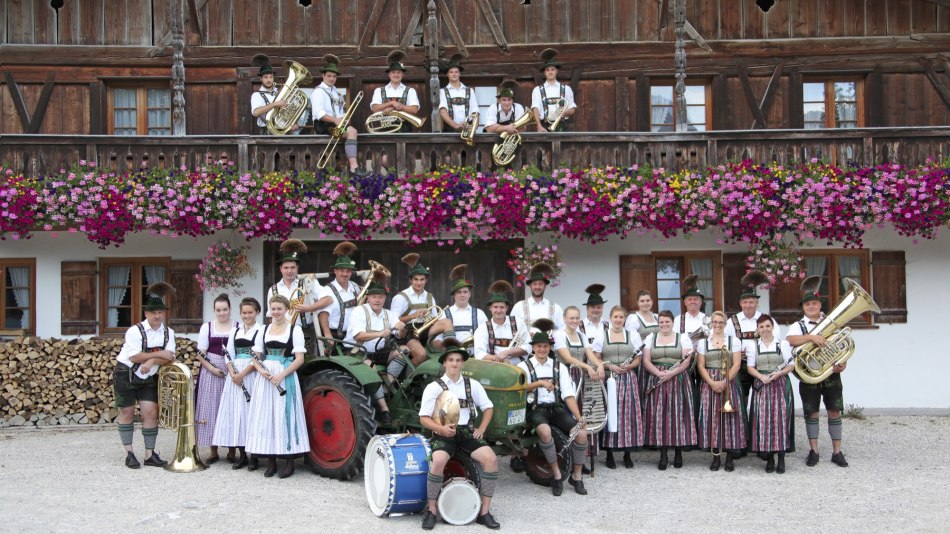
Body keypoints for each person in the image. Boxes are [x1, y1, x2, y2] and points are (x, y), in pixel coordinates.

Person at [418, 339, 500, 530]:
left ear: (462, 363)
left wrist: (481, 429)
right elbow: (423, 417)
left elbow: (488, 407)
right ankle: (431, 510)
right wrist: (440, 429)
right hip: (442, 433)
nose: (454, 364)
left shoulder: (472, 385)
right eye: (451, 360)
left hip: (466, 431)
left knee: (492, 460)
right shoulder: (434, 387)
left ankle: (484, 512)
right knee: (437, 462)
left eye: (458, 360)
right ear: (445, 363)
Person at [518, 324, 589, 496]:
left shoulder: (559, 366)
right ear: (533, 348)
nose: (542, 349)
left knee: (581, 433)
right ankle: (557, 475)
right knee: (544, 431)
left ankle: (577, 476)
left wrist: (579, 418)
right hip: (536, 409)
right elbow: (518, 388)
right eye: (538, 346)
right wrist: (539, 383)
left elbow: (568, 395)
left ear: (550, 347)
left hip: (556, 408)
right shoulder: (523, 366)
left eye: (545, 346)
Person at [785, 276, 849, 468]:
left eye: (814, 303)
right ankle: (814, 450)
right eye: (808, 304)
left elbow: (843, 346)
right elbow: (789, 340)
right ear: (803, 307)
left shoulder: (832, 323)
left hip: (831, 374)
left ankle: (837, 452)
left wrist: (842, 364)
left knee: (834, 412)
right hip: (809, 376)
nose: (812, 306)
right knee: (811, 413)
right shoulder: (798, 325)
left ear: (820, 305)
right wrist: (811, 338)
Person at [113, 282, 177, 468]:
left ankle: (150, 454)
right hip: (126, 373)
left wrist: (150, 361)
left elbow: (170, 356)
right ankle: (130, 453)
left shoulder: (168, 332)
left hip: (149, 376)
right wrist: (157, 356)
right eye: (153, 313)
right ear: (146, 314)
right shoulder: (134, 331)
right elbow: (134, 356)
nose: (157, 316)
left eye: (160, 312)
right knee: (126, 412)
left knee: (150, 412)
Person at [247, 295, 310, 478]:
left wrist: (282, 374)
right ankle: (271, 461)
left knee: (285, 415)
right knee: (267, 416)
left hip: (285, 375)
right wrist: (260, 370)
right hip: (266, 378)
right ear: (269, 310)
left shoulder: (294, 330)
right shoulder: (263, 329)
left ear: (286, 309)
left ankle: (289, 461)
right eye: (273, 309)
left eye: (279, 309)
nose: (276, 312)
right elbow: (256, 355)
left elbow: (300, 358)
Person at [344, 274, 407, 426]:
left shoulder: (389, 314)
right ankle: (385, 410)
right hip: (357, 351)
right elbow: (358, 335)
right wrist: (379, 333)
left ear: (385, 298)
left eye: (380, 297)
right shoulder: (359, 312)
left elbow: (400, 334)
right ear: (368, 298)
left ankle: (386, 386)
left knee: (404, 350)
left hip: (379, 352)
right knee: (371, 369)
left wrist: (402, 328)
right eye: (374, 297)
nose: (377, 300)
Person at [641, 310, 697, 470]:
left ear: (673, 323)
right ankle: (663, 454)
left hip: (677, 379)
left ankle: (678, 452)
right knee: (659, 416)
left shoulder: (683, 337)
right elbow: (646, 360)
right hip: (657, 378)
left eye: (667, 322)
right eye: (661, 322)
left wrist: (671, 373)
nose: (664, 325)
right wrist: (659, 373)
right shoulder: (651, 337)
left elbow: (686, 362)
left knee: (678, 415)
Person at [591, 305, 645, 469]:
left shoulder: (632, 335)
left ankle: (627, 453)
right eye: (615, 317)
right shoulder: (603, 335)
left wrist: (627, 367)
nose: (618, 320)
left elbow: (638, 359)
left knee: (627, 415)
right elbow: (596, 358)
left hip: (628, 378)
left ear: (624, 319)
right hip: (610, 379)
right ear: (611, 318)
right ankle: (609, 453)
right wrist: (610, 366)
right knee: (610, 413)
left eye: (621, 317)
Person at [213, 297, 262, 470]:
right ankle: (242, 455)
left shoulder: (261, 330)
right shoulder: (235, 330)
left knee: (250, 414)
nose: (247, 315)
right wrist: (232, 372)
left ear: (257, 312)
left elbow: (257, 356)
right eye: (244, 312)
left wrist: (242, 374)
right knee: (237, 414)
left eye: (250, 312)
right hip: (234, 377)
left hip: (251, 374)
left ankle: (254, 456)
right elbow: (229, 354)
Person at [696, 311, 746, 472]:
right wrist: (711, 382)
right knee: (713, 419)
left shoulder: (734, 341)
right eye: (715, 322)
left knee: (730, 420)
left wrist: (724, 382)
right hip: (710, 383)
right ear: (711, 323)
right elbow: (700, 366)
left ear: (725, 324)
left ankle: (730, 458)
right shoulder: (703, 343)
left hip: (729, 382)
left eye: (721, 322)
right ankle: (716, 456)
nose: (717, 325)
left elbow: (737, 364)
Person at [723, 270, 781, 411]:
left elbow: (777, 340)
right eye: (745, 302)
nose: (748, 305)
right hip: (740, 365)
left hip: (761, 365)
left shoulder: (766, 320)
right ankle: (743, 427)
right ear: (740, 303)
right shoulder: (732, 321)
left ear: (757, 303)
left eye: (751, 302)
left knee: (761, 397)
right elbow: (725, 343)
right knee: (741, 397)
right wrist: (734, 353)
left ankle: (759, 424)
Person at [747, 314, 796, 474]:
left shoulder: (783, 344)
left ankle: (781, 457)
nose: (765, 329)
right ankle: (769, 458)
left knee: (780, 420)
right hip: (762, 385)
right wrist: (761, 377)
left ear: (772, 327)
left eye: (767, 326)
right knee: (764, 421)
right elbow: (750, 367)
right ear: (758, 330)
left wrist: (778, 374)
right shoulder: (753, 346)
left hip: (780, 384)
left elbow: (791, 365)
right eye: (761, 327)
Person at [195, 293, 238, 463]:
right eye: (218, 310)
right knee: (211, 409)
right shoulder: (207, 327)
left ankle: (232, 450)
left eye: (225, 309)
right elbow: (200, 354)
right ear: (214, 310)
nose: (222, 313)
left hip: (231, 370)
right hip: (211, 371)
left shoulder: (237, 327)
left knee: (230, 409)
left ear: (230, 309)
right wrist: (212, 368)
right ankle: (213, 451)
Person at [267, 238, 329, 358]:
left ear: (297, 268)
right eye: (286, 268)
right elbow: (270, 316)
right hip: (281, 332)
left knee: (306, 365)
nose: (289, 271)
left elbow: (328, 299)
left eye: (292, 267)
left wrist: (309, 308)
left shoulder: (308, 282)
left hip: (304, 332)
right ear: (280, 269)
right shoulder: (273, 290)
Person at [311, 54, 365, 175]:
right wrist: (335, 120)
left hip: (334, 124)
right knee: (352, 132)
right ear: (323, 75)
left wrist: (344, 118)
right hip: (322, 124)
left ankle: (352, 167)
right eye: (329, 76)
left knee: (352, 130)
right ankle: (354, 167)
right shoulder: (318, 91)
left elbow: (340, 112)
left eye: (334, 76)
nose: (331, 79)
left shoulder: (336, 92)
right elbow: (318, 113)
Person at [389, 253, 437, 370]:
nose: (419, 283)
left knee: (445, 323)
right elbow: (392, 321)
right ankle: (407, 380)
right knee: (421, 354)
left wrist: (431, 319)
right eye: (416, 279)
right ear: (411, 280)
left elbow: (436, 318)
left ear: (426, 280)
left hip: (426, 329)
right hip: (407, 331)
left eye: (422, 280)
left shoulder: (430, 297)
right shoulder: (400, 297)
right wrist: (413, 316)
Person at [473, 280, 531, 364]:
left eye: (501, 307)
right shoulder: (483, 328)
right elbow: (479, 354)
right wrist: (499, 359)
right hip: (494, 368)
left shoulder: (518, 323)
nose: (498, 310)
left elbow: (528, 347)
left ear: (506, 308)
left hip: (519, 367)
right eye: (495, 307)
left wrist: (506, 353)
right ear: (490, 308)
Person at [430, 264, 488, 348]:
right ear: (454, 295)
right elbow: (437, 339)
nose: (462, 295)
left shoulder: (480, 313)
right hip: (453, 357)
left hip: (475, 357)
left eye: (465, 292)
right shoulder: (444, 314)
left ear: (470, 294)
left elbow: (486, 336)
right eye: (459, 292)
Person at [317, 241, 362, 350]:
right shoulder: (327, 290)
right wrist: (327, 335)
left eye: (348, 271)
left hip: (353, 336)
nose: (345, 274)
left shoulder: (355, 287)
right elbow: (323, 314)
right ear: (335, 271)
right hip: (335, 337)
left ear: (351, 272)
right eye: (342, 270)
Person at [369, 50, 421, 133]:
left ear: (402, 74)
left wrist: (401, 107)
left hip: (405, 129)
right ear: (389, 74)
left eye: (398, 72)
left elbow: (414, 110)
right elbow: (374, 109)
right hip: (384, 130)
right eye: (393, 72)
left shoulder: (410, 91)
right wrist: (391, 103)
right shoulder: (379, 90)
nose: (396, 75)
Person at [531, 48, 576, 132]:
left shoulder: (566, 89)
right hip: (544, 126)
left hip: (562, 126)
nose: (550, 72)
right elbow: (535, 109)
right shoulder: (537, 90)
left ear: (556, 71)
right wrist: (538, 126)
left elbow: (572, 109)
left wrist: (564, 113)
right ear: (544, 72)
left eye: (552, 69)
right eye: (548, 70)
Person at [511, 262, 565, 330]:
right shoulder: (518, 307)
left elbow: (561, 330)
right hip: (526, 341)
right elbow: (513, 329)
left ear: (545, 286)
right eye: (534, 284)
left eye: (540, 284)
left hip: (549, 341)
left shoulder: (556, 308)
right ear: (530, 286)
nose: (537, 287)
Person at [250, 58, 296, 135]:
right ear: (261, 78)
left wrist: (291, 123)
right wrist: (274, 104)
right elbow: (256, 112)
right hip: (267, 133)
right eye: (266, 77)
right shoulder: (257, 95)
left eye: (271, 77)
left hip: (284, 131)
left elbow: (288, 110)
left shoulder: (280, 92)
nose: (269, 80)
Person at [438, 54, 479, 133]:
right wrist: (455, 125)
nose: (454, 74)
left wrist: (474, 126)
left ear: (459, 73)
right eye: (451, 72)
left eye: (456, 72)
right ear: (448, 74)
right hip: (449, 131)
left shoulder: (470, 91)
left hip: (468, 130)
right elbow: (442, 111)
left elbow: (475, 111)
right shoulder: (442, 91)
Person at [672, 274, 709, 343]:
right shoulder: (678, 320)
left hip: (703, 353)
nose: (692, 302)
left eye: (695, 299)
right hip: (684, 353)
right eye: (690, 299)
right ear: (685, 302)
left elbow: (711, 338)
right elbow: (674, 339)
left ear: (700, 302)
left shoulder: (708, 319)